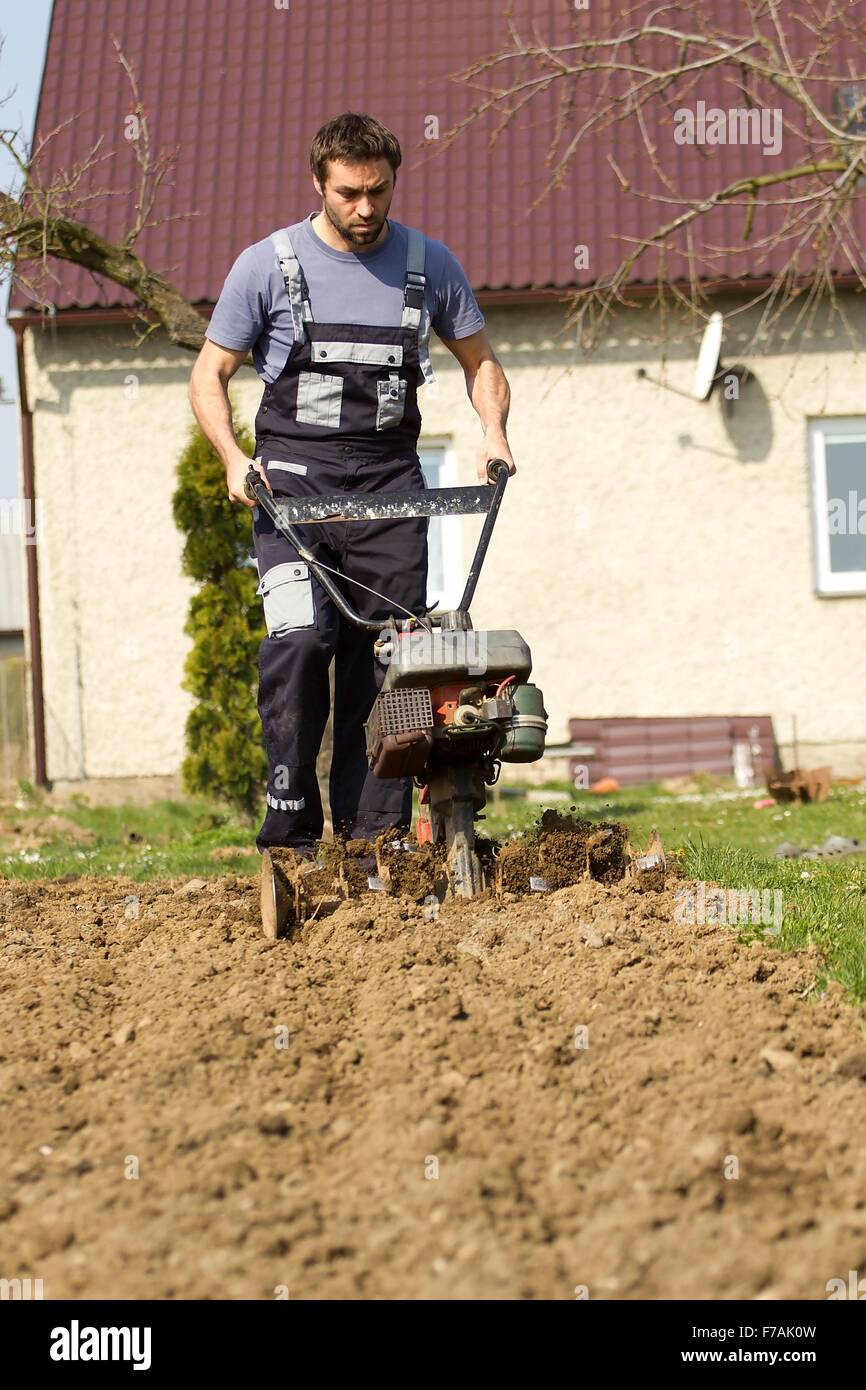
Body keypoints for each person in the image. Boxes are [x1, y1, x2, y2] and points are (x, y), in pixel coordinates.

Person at [188, 111, 515, 854]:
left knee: (390, 659)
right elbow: (209, 373)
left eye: (377, 191)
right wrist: (233, 459)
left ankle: (377, 839)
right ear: (319, 184)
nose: (365, 209)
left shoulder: (430, 266)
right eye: (347, 193)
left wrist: (492, 432)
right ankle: (292, 827)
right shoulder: (265, 266)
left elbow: (481, 363)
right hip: (294, 492)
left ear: (393, 181)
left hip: (391, 492)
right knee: (301, 642)